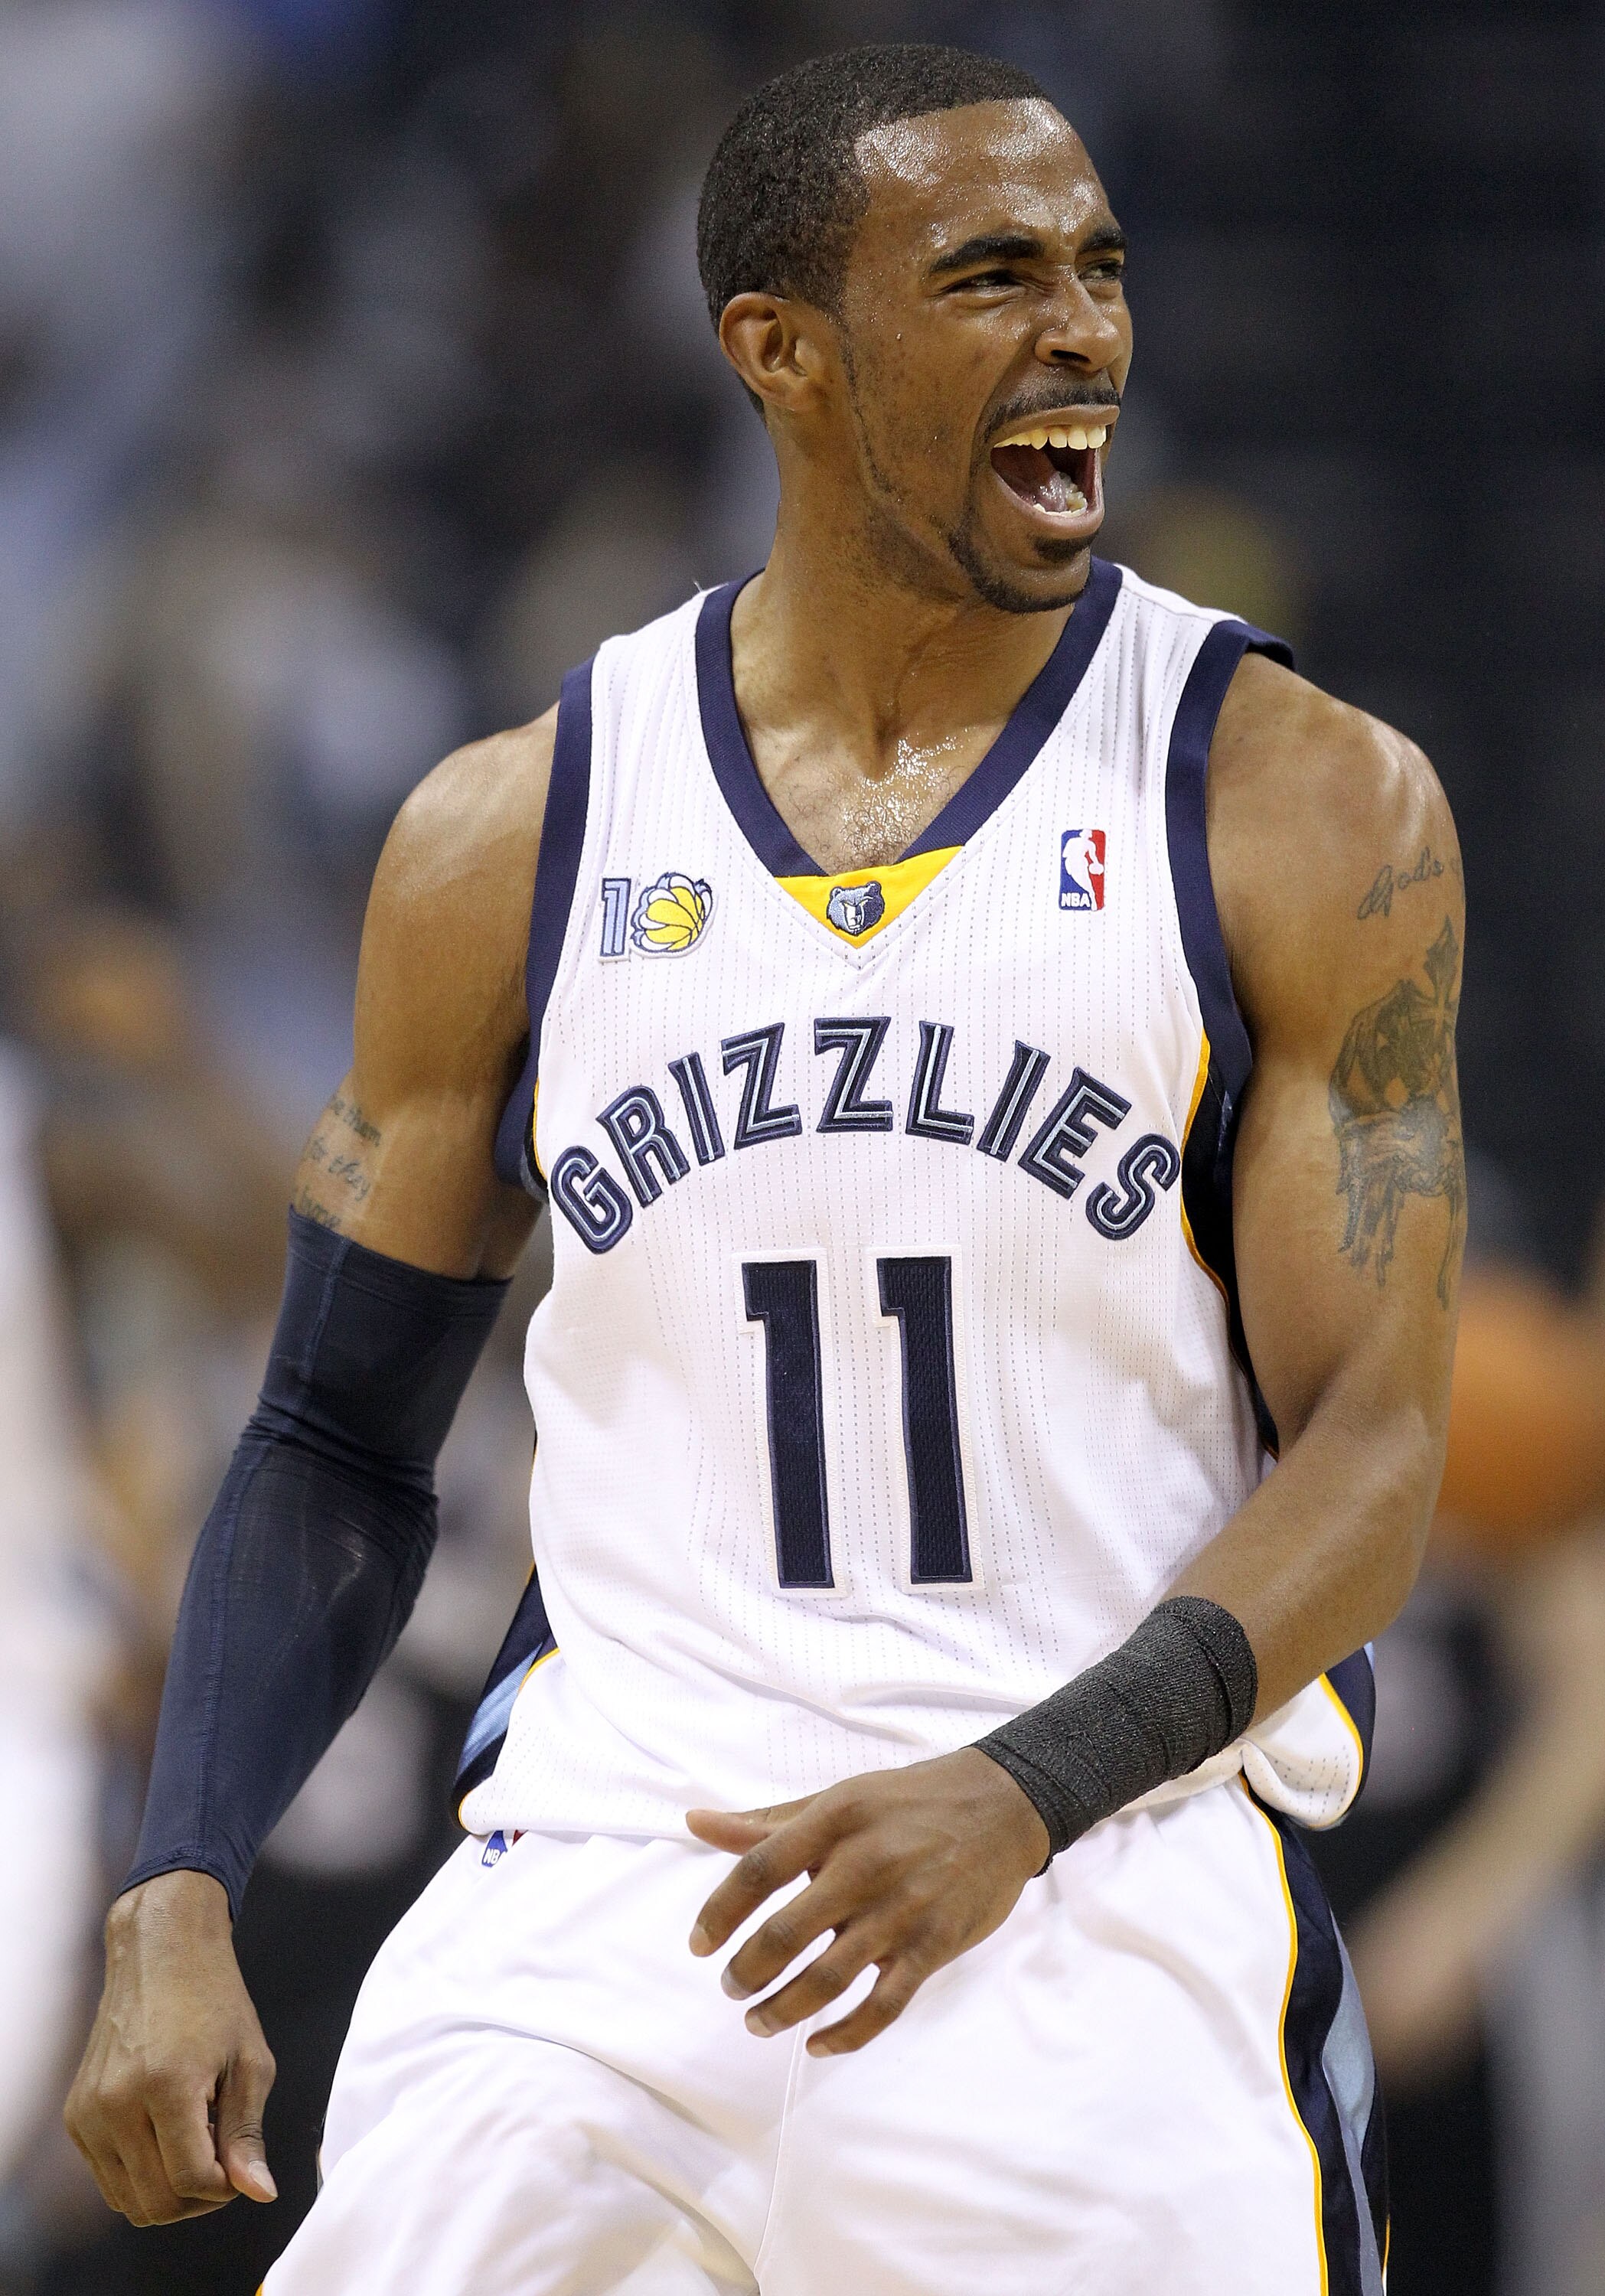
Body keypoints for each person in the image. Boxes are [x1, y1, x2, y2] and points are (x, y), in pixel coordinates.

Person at [66, 44, 1465, 2294]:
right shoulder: (508, 832)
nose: (1083, 330)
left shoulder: (1297, 803)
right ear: (780, 353)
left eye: (1101, 270)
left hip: (1096, 1878)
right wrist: (180, 1881)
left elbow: (1379, 1451)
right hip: (608, 1888)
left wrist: (1020, 1783)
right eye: (992, 274)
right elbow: (333, 1429)